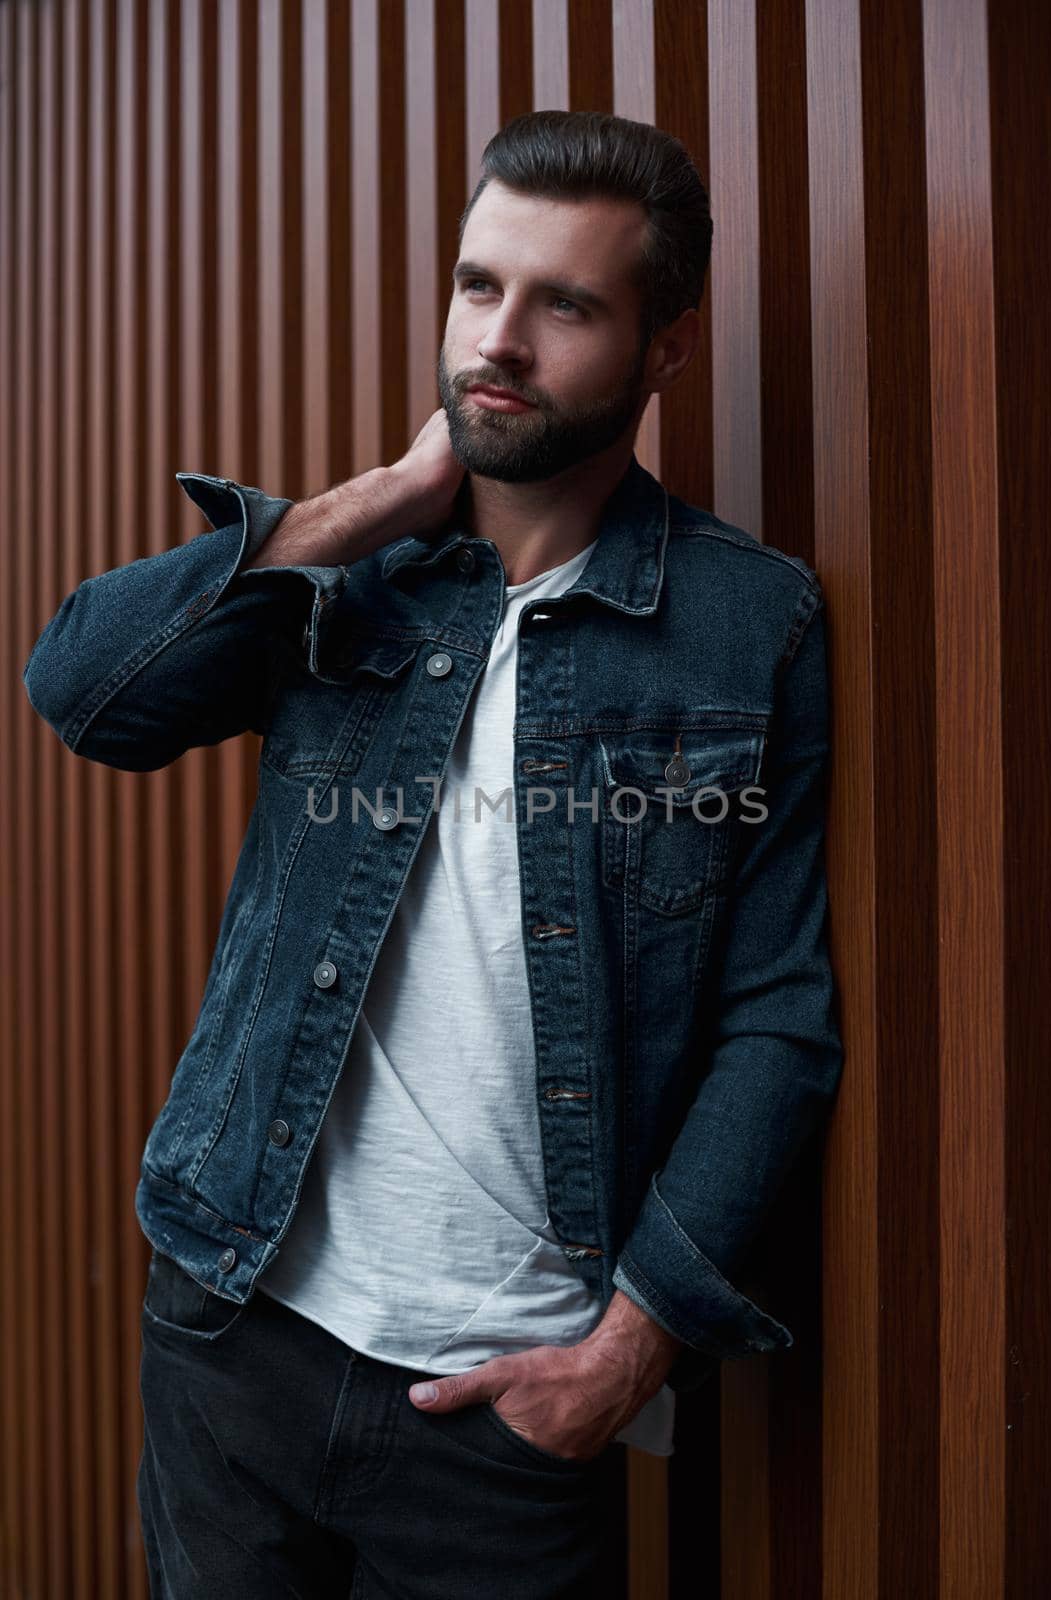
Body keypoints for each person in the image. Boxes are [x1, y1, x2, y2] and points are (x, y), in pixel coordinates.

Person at [23, 109, 843, 1598]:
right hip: (236, 1325)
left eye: (566, 304)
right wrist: (374, 506)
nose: (501, 341)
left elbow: (776, 1020)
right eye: (479, 286)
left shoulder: (746, 628)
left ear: (664, 348)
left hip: (503, 1417)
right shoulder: (362, 572)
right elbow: (85, 694)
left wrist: (623, 1353)